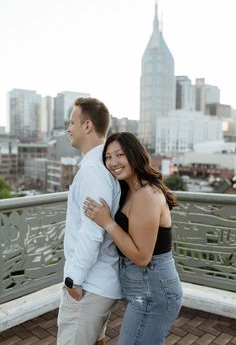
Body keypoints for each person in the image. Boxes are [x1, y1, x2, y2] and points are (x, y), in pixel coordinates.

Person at [83, 132, 183, 345]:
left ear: (135, 155)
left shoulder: (147, 194)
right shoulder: (130, 190)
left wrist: (107, 222)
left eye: (120, 155)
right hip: (142, 289)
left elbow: (141, 258)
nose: (113, 162)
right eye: (108, 157)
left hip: (152, 291)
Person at [57, 98, 122, 345]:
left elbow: (92, 230)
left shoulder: (93, 170)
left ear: (87, 126)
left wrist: (74, 279)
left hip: (88, 285)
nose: (68, 128)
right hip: (99, 281)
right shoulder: (100, 165)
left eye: (72, 122)